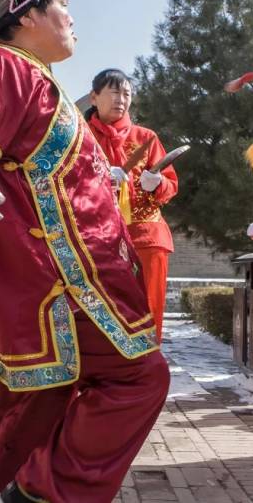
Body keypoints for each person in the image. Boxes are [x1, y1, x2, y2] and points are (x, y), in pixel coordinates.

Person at [0, 0, 169, 503]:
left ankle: (34, 488)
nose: (72, 13)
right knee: (139, 377)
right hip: (61, 278)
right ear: (28, 15)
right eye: (62, 0)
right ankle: (45, 493)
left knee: (43, 406)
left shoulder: (36, 76)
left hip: (83, 271)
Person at [86, 69, 178, 342]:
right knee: (101, 307)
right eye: (114, 92)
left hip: (146, 236)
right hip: (95, 235)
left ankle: (148, 366)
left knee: (149, 307)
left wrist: (157, 183)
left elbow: (172, 185)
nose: (121, 100)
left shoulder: (146, 137)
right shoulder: (82, 137)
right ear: (94, 97)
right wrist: (100, 180)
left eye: (126, 94)